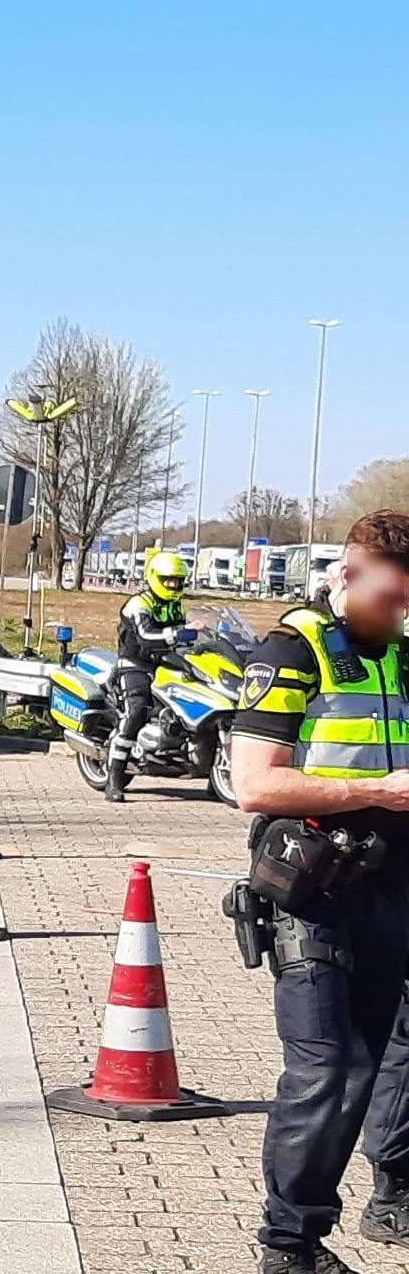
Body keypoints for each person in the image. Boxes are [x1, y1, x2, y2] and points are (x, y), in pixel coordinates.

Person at [233, 512, 409, 1274]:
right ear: (347, 574)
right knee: (326, 1068)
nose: (400, 613)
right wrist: (382, 790)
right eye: (391, 597)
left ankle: (347, 1214)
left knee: (371, 1063)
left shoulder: (403, 655)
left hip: (391, 889)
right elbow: (254, 783)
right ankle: (288, 1247)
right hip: (312, 890)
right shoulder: (293, 649)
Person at [105, 551, 191, 802]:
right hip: (134, 664)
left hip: (164, 664)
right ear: (155, 578)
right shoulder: (138, 604)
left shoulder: (175, 605)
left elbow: (186, 634)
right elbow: (146, 636)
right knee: (137, 711)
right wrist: (177, 635)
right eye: (168, 581)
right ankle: (114, 779)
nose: (174, 585)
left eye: (177, 580)